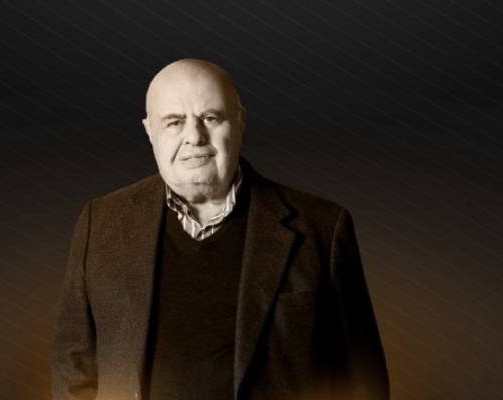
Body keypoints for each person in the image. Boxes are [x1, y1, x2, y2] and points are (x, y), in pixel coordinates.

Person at [51, 58, 389, 400]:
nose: (194, 137)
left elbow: (362, 382)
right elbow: (73, 368)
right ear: (150, 131)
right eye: (174, 122)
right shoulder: (101, 222)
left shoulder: (323, 227)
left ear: (240, 122)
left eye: (211, 118)